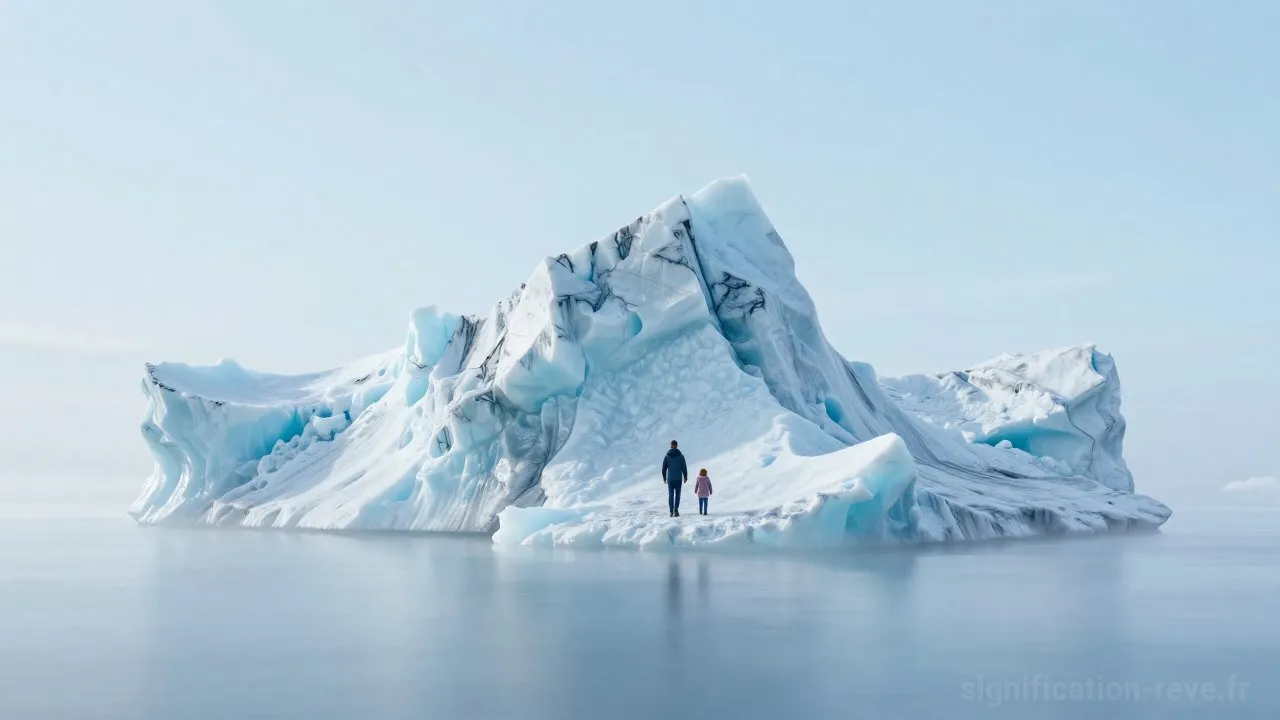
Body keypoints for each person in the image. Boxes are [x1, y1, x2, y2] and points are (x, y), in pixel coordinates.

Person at [661, 440, 688, 517]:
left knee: (671, 495)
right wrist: (685, 477)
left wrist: (664, 478)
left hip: (670, 479)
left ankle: (671, 511)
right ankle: (676, 510)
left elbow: (664, 469)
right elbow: (684, 467)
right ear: (677, 445)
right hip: (678, 478)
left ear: (671, 445)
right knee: (678, 494)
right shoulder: (681, 456)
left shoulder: (667, 456)